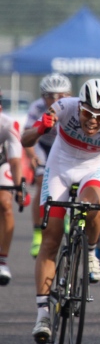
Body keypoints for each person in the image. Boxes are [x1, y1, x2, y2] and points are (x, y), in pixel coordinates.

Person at [21, 79, 100, 344]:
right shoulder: (63, 107)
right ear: (79, 106)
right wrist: (41, 129)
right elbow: (25, 140)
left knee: (93, 208)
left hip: (93, 169)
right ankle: (43, 313)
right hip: (59, 167)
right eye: (87, 113)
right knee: (51, 238)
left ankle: (90, 252)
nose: (93, 121)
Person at [23, 73, 72, 258]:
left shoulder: (74, 106)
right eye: (49, 95)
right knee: (41, 180)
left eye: (60, 96)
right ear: (43, 96)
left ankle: (66, 214)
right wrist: (32, 156)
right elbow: (28, 134)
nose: (54, 100)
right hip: (42, 144)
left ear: (69, 94)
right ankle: (37, 234)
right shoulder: (37, 107)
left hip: (64, 144)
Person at [0, 89, 25, 285]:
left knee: (5, 204)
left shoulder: (8, 124)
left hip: (2, 163)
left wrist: (18, 188)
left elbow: (15, 161)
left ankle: (3, 260)